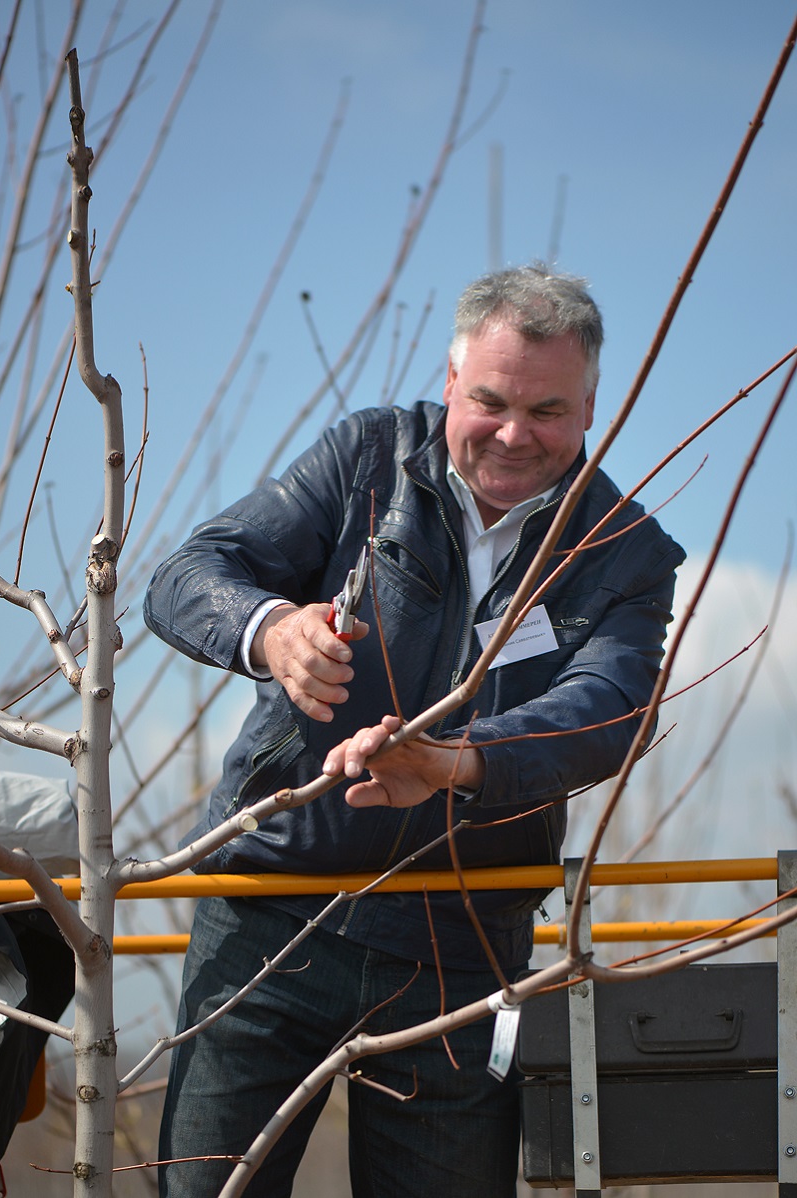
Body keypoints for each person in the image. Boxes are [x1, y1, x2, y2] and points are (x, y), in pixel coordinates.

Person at [144, 265, 685, 1198]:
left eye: (548, 411)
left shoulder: (627, 550)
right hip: (269, 917)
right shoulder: (366, 459)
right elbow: (188, 573)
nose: (515, 433)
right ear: (449, 385)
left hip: (462, 949)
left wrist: (457, 763)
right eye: (491, 401)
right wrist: (273, 631)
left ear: (592, 405)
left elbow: (612, 710)